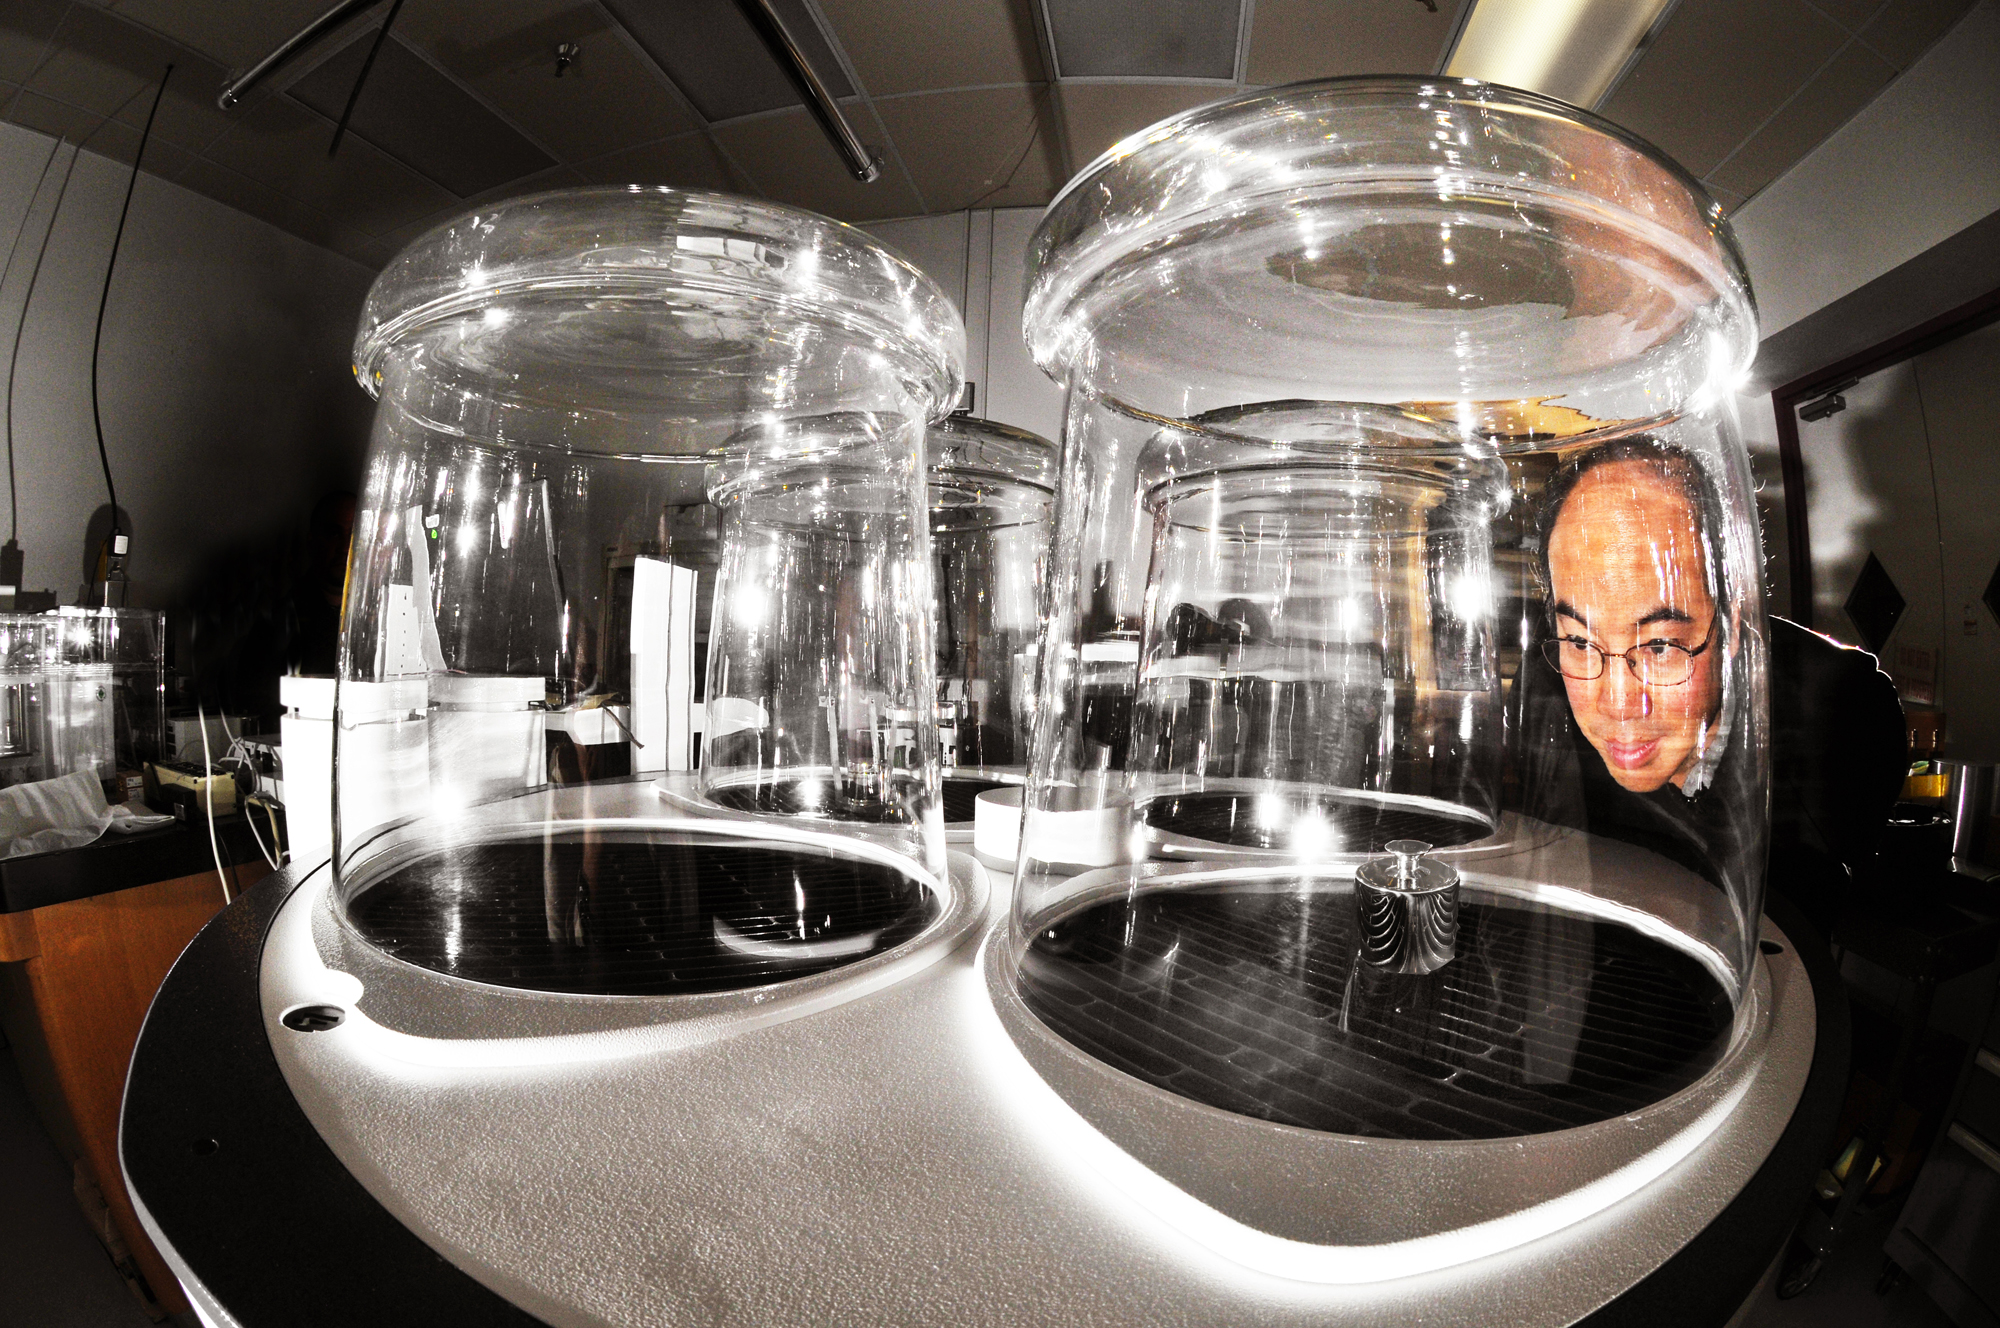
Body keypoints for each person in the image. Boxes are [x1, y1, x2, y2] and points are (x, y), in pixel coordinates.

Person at [1511, 437, 1754, 886]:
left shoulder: (1834, 731)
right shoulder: (1539, 694)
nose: (1618, 705)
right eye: (1581, 643)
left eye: (1660, 646)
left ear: (1731, 627)